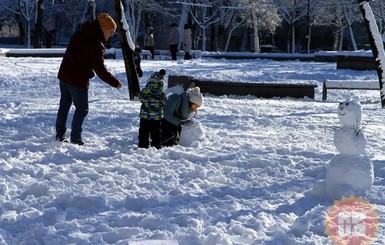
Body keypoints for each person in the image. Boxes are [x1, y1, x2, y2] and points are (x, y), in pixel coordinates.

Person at [55, 13, 123, 145]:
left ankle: (60, 134)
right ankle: (76, 139)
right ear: (103, 28)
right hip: (77, 80)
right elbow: (100, 70)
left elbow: (77, 56)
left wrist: (87, 70)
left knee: (64, 106)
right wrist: (115, 83)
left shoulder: (79, 33)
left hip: (64, 75)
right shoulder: (96, 45)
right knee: (82, 109)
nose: (111, 35)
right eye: (110, 31)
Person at [138, 69, 167, 149]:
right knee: (156, 132)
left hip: (145, 116)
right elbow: (164, 101)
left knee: (143, 132)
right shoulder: (162, 93)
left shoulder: (145, 90)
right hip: (156, 117)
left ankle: (142, 146)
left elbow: (140, 98)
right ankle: (156, 146)